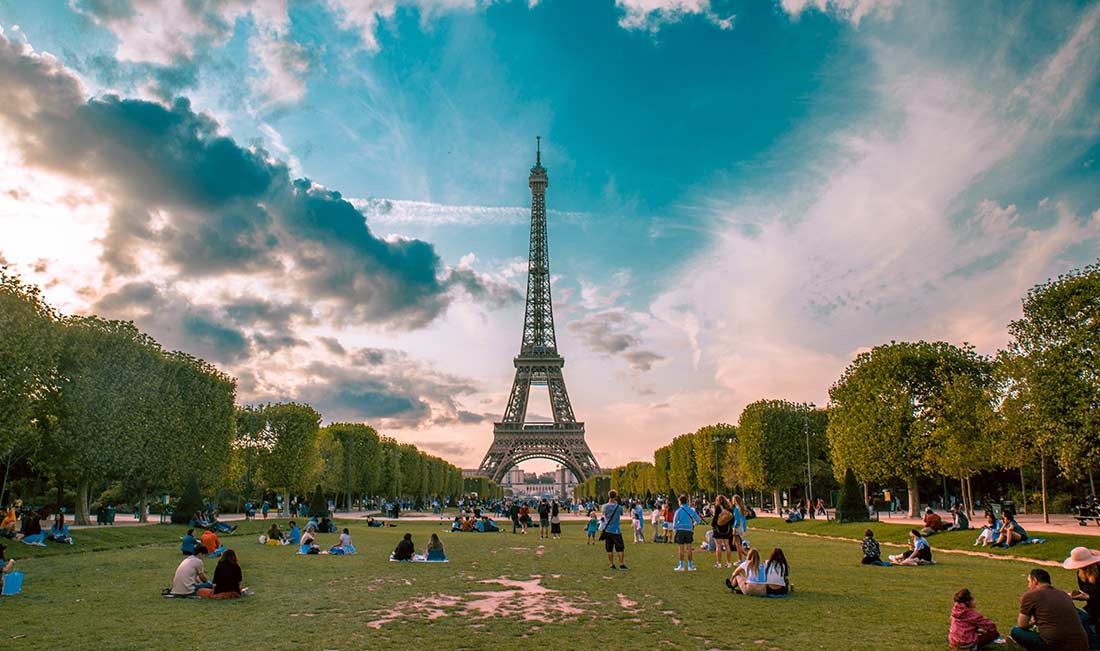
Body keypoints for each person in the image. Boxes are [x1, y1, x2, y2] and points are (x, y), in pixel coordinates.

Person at [1011, 568, 1088, 651]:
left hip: (1054, 645)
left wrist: (1033, 622)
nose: (1028, 586)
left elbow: (1022, 625)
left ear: (1035, 580)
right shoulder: (1063, 594)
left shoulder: (1030, 596)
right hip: (1081, 645)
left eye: (1029, 582)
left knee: (1016, 631)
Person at [1064, 546, 1100, 649]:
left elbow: (1091, 595)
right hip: (1093, 609)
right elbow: (1084, 591)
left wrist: (1089, 597)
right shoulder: (1080, 574)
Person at [672, 494, 702, 572]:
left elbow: (674, 523)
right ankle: (690, 566)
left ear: (680, 502)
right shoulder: (690, 510)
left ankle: (681, 565)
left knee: (681, 549)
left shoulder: (678, 511)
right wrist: (692, 525)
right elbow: (698, 520)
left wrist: (677, 528)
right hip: (689, 530)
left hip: (680, 531)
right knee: (689, 549)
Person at [601, 490, 627, 571]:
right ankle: (621, 564)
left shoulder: (604, 506)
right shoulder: (618, 507)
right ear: (615, 496)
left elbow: (603, 514)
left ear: (608, 496)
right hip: (616, 530)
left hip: (608, 530)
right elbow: (622, 513)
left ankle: (612, 564)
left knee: (609, 548)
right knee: (620, 548)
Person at [711, 495, 735, 569]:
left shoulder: (718, 508)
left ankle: (719, 563)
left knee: (718, 545)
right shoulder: (730, 508)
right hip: (727, 529)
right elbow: (732, 519)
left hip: (718, 529)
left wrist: (713, 524)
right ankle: (728, 562)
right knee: (727, 545)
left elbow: (715, 518)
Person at [731, 495, 748, 562]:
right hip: (742, 527)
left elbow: (737, 520)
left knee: (737, 545)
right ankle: (745, 557)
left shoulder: (736, 509)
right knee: (737, 544)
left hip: (737, 527)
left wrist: (734, 528)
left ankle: (741, 559)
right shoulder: (742, 507)